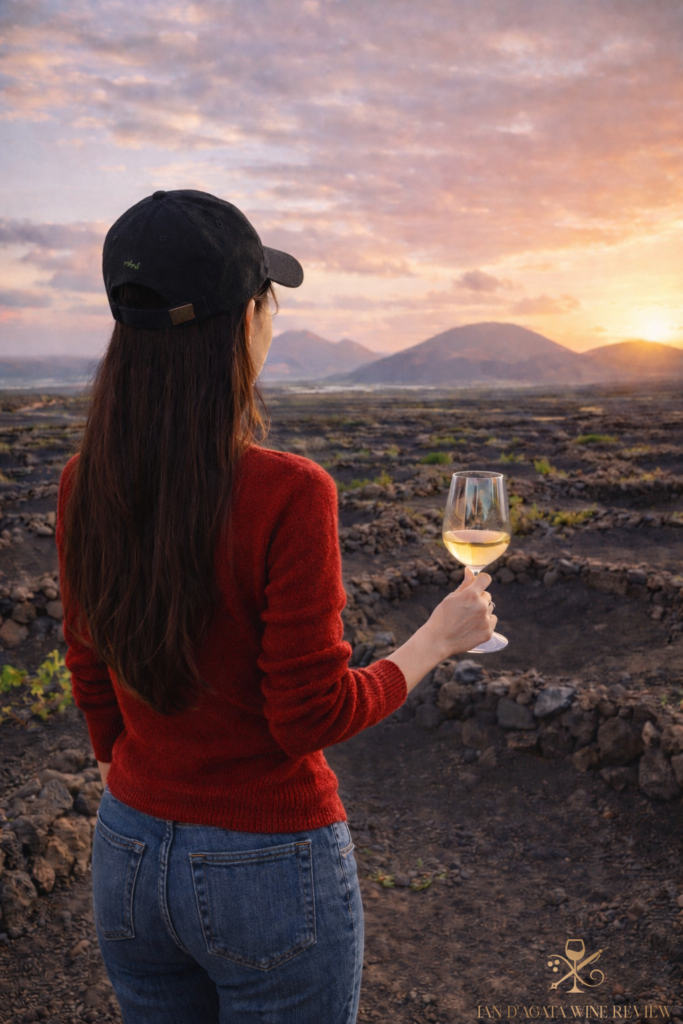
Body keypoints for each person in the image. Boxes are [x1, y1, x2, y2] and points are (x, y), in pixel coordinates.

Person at [55, 188, 497, 1024]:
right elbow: (308, 715)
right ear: (248, 317)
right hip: (264, 862)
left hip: (126, 851)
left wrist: (133, 775)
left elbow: (88, 662)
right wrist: (436, 638)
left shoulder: (86, 483)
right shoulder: (288, 491)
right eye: (270, 303)